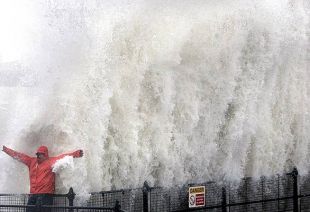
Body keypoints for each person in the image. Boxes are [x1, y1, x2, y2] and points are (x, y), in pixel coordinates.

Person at [2, 145, 83, 212]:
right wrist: (6, 150)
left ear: (45, 154)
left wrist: (76, 154)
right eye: (37, 154)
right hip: (33, 195)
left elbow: (63, 157)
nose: (39, 156)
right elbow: (19, 156)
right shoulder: (31, 161)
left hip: (46, 195)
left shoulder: (51, 161)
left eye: (41, 154)